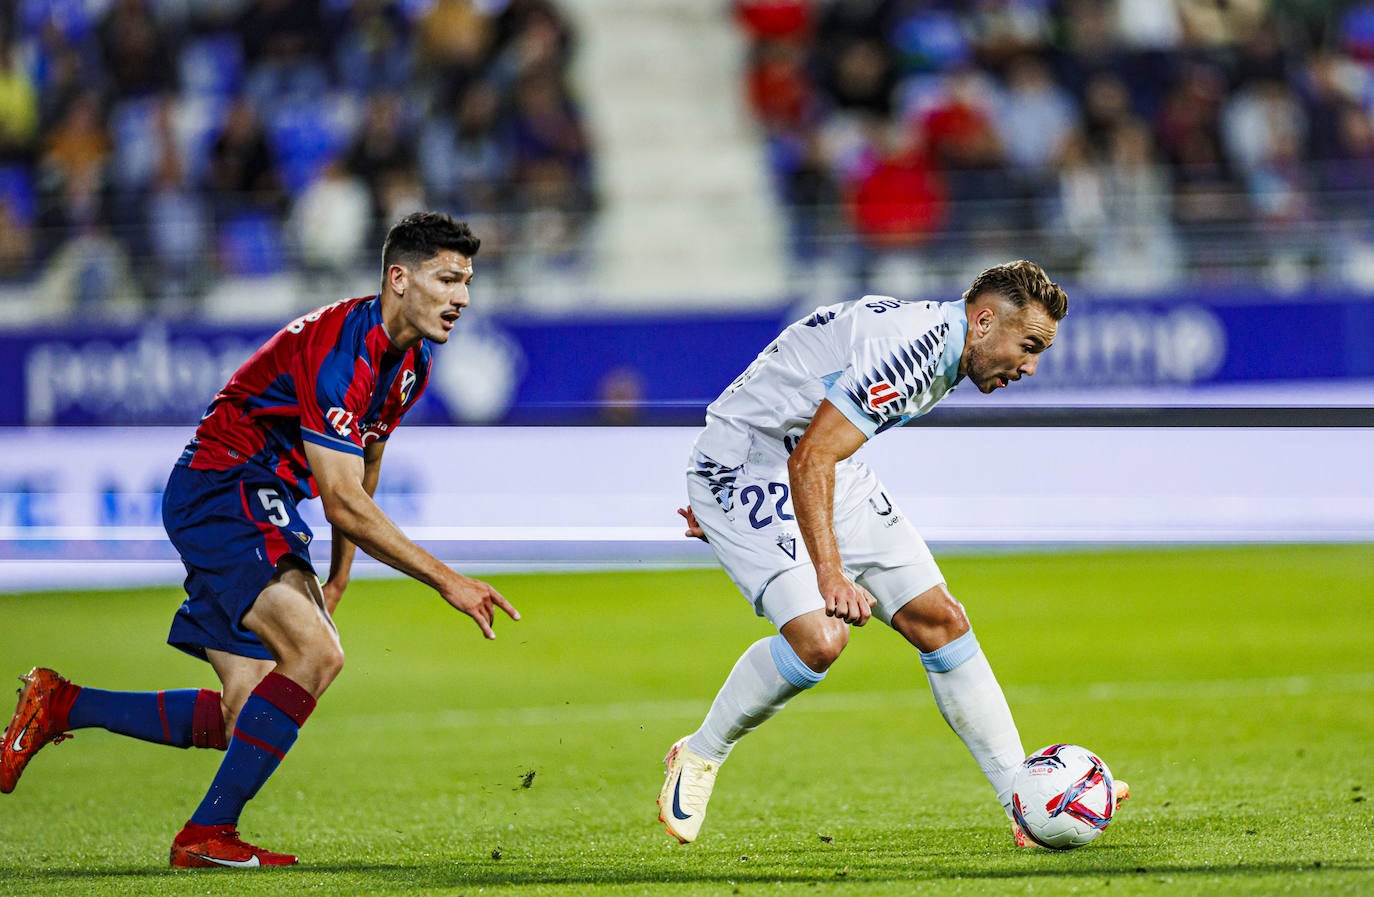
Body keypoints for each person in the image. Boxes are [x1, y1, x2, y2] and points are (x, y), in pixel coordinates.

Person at [0, 211, 520, 867]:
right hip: (225, 487)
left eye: (467, 281)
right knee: (317, 652)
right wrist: (450, 578)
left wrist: (340, 571)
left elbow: (365, 465)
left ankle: (61, 702)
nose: (463, 298)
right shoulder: (342, 352)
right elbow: (339, 497)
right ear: (399, 278)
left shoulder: (411, 362)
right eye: (448, 279)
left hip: (248, 498)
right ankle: (205, 834)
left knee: (246, 707)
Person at [657, 260, 1128, 847]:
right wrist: (828, 574)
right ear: (984, 321)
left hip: (823, 462)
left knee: (941, 622)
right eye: (1028, 346)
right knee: (821, 638)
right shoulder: (911, 353)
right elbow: (808, 459)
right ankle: (701, 753)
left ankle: (1025, 797)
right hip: (751, 466)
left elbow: (816, 430)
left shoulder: (949, 345)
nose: (1030, 366)